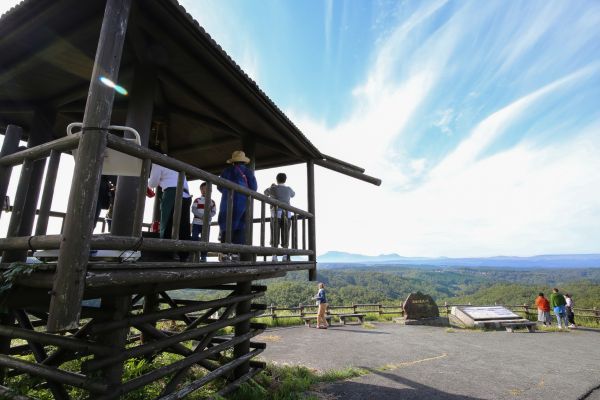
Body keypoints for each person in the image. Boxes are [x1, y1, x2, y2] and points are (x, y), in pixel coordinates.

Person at [148, 163, 192, 261]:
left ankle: (166, 254)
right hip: (186, 195)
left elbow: (152, 183)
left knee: (167, 224)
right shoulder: (174, 163)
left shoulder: (157, 162)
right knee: (184, 226)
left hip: (172, 194)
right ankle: (184, 256)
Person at [217, 151, 257, 251]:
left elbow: (219, 186)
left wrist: (227, 193)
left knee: (226, 226)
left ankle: (225, 254)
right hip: (242, 204)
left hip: (226, 203)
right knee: (240, 227)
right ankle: (236, 254)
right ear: (244, 161)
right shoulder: (248, 172)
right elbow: (254, 188)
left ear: (233, 161)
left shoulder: (225, 171)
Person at [264, 173, 295, 262]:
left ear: (277, 179)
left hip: (276, 213)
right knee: (286, 233)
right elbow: (293, 194)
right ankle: (285, 255)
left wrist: (271, 186)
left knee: (274, 233)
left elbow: (265, 193)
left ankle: (274, 256)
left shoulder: (273, 188)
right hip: (287, 214)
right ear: (285, 179)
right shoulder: (289, 189)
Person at [191, 182, 216, 261]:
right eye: (204, 189)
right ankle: (194, 254)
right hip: (196, 222)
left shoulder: (212, 202)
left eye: (208, 189)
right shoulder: (197, 200)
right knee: (194, 237)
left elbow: (213, 212)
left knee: (205, 240)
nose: (206, 191)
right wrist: (201, 216)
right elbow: (193, 209)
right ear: (201, 190)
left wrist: (209, 216)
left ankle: (204, 256)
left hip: (206, 224)